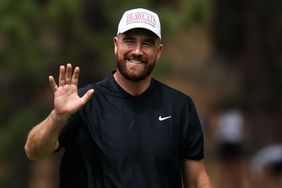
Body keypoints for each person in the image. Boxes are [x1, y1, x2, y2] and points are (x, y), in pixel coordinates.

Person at [24, 8, 212, 188]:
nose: (137, 51)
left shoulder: (179, 107)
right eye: (129, 41)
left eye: (147, 43)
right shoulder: (83, 102)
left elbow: (196, 180)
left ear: (159, 51)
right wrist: (57, 117)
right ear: (116, 45)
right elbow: (34, 151)